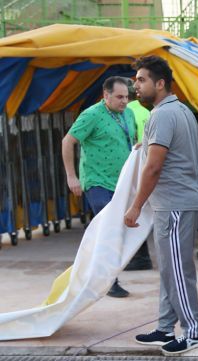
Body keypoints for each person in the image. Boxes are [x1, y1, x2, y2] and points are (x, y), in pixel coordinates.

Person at [126, 55, 198, 357]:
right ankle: (164, 327)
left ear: (160, 84)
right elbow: (164, 152)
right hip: (177, 203)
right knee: (169, 270)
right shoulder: (179, 110)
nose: (136, 86)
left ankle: (194, 331)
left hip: (175, 205)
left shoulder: (162, 115)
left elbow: (154, 167)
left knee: (177, 271)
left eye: (142, 80)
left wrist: (136, 206)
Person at [62, 76, 137, 299]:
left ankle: (93, 271)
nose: (124, 101)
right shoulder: (91, 115)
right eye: (119, 97)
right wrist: (71, 177)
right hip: (97, 181)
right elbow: (67, 141)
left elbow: (130, 143)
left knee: (114, 229)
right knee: (108, 228)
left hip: (121, 182)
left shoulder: (128, 114)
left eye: (127, 97)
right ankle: (109, 281)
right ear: (106, 95)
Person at [123, 83, 154, 272]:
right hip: (148, 163)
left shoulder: (127, 113)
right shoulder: (147, 112)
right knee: (144, 212)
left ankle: (138, 257)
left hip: (135, 166)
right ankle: (143, 256)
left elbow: (132, 142)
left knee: (130, 212)